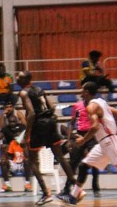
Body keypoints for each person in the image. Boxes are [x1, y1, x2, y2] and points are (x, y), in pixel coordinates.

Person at [61, 82, 117, 205]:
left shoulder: (92, 106)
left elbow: (95, 127)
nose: (80, 91)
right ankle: (73, 197)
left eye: (82, 89)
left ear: (86, 92)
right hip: (103, 143)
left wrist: (83, 140)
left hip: (109, 141)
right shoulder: (102, 103)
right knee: (83, 166)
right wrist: (115, 131)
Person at [17, 70, 76, 205]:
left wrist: (27, 134)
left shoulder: (23, 92)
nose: (16, 78)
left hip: (39, 125)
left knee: (31, 160)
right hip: (50, 122)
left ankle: (46, 193)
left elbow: (31, 113)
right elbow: (52, 106)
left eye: (19, 77)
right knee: (60, 156)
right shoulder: (39, 89)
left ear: (24, 80)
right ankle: (75, 186)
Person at [0, 102, 31, 193]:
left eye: (14, 121)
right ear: (8, 122)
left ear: (17, 121)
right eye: (10, 122)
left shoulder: (22, 127)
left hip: (21, 154)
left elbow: (27, 138)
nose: (12, 123)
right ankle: (7, 184)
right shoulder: (6, 129)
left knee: (27, 159)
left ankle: (27, 183)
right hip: (11, 156)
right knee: (3, 161)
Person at [59, 100, 100, 198]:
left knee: (94, 163)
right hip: (80, 135)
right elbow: (72, 123)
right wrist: (69, 140)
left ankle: (96, 188)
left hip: (91, 135)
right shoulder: (77, 105)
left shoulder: (95, 105)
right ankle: (66, 189)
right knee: (73, 163)